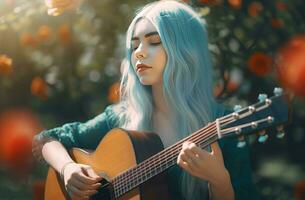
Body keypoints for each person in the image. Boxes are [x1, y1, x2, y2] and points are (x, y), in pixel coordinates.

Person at [32, 1, 260, 200]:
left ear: (185, 49)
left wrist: (219, 181)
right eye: (134, 45)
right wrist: (68, 168)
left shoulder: (225, 124)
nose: (139, 53)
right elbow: (46, 139)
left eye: (154, 41)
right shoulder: (122, 116)